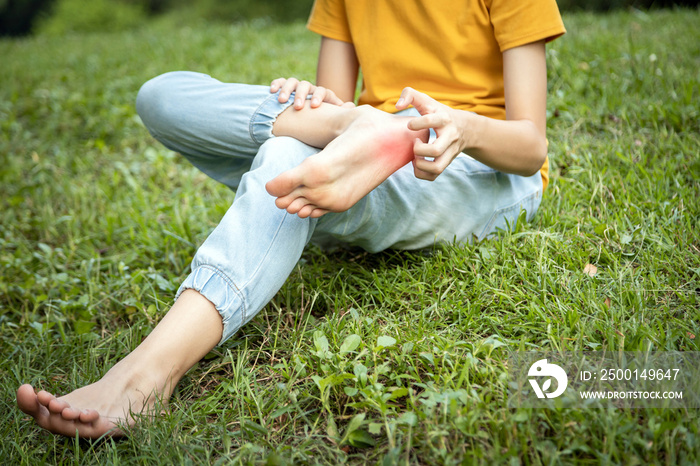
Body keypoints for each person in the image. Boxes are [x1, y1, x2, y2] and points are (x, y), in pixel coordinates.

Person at [16, 0, 565, 438]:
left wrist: (459, 128)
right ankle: (377, 128)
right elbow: (329, 98)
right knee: (161, 96)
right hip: (363, 149)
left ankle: (145, 376)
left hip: (474, 169)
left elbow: (530, 147)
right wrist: (319, 106)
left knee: (285, 158)